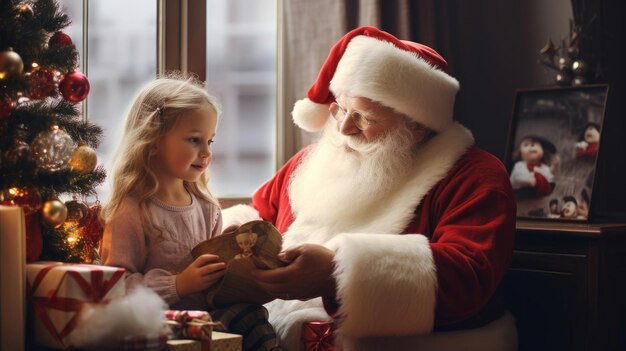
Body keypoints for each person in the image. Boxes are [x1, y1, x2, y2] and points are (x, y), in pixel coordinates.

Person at [222, 27, 517, 350]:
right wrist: (233, 238)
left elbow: (467, 277)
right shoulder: (311, 161)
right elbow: (260, 210)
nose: (344, 127)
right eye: (340, 109)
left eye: (363, 117)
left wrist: (338, 273)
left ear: (416, 125)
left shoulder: (475, 175)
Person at [100, 75, 280, 351]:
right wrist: (178, 285)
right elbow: (116, 287)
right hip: (160, 326)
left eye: (210, 141)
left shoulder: (207, 207)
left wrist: (230, 256)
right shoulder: (132, 209)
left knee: (251, 315)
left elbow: (212, 287)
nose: (206, 152)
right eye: (195, 140)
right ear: (153, 141)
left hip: (207, 321)